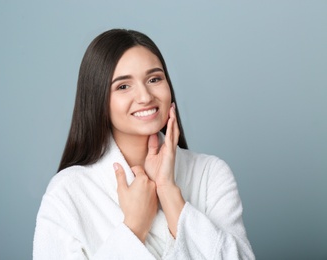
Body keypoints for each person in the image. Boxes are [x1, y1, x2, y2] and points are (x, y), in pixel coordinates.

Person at [33, 29, 255, 259]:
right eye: (123, 86)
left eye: (154, 79)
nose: (145, 96)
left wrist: (169, 194)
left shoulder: (210, 174)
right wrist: (134, 228)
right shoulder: (68, 192)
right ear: (97, 99)